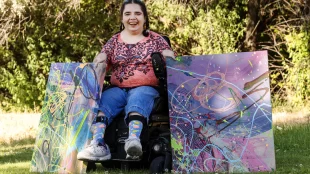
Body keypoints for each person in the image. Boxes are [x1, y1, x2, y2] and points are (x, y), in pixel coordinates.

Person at [77, 0, 175, 161]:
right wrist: (101, 57)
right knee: (103, 104)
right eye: (128, 14)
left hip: (146, 87)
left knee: (137, 99)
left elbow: (170, 58)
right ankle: (98, 144)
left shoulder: (155, 39)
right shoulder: (114, 41)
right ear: (122, 18)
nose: (132, 18)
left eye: (137, 13)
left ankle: (133, 141)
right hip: (118, 88)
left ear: (144, 17)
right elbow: (101, 61)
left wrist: (168, 56)